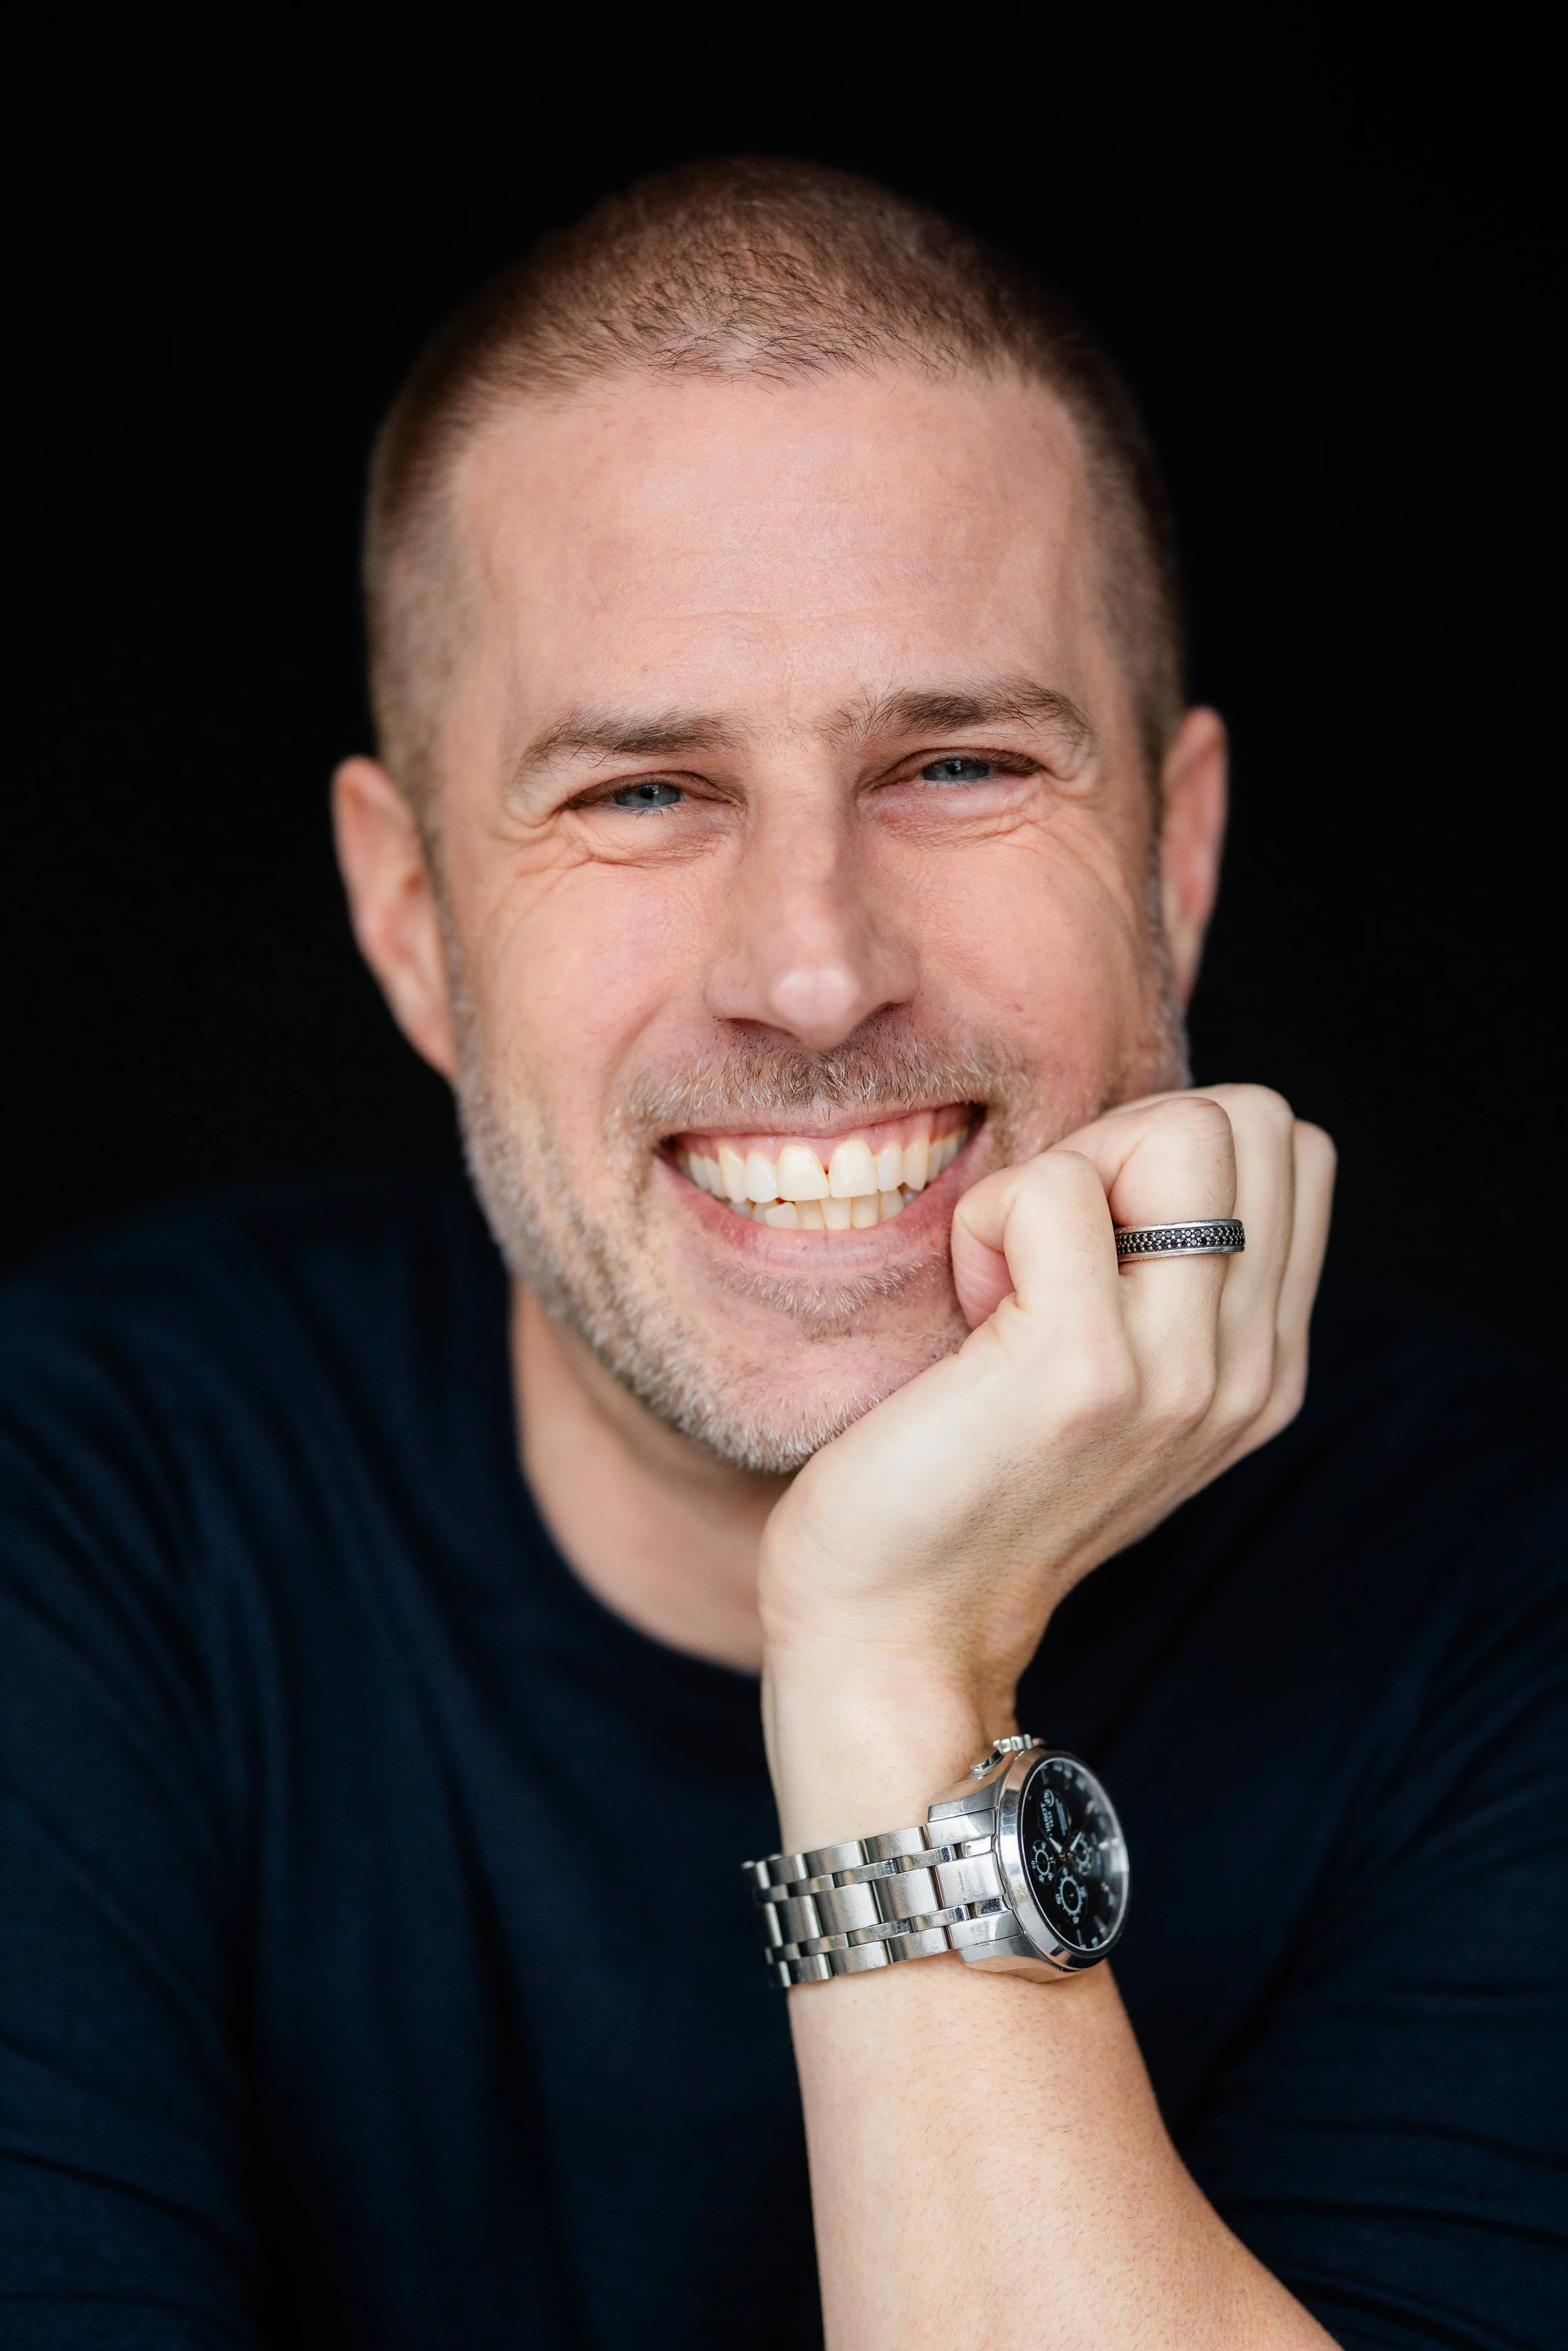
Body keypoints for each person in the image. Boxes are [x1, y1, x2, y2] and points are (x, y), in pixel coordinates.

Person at [1, 158, 1563, 2351]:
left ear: (1175, 858)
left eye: (952, 760)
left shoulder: (1503, 1587)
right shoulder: (75, 1510)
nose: (813, 973)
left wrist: (887, 1672)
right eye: (641, 791)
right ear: (412, 916)